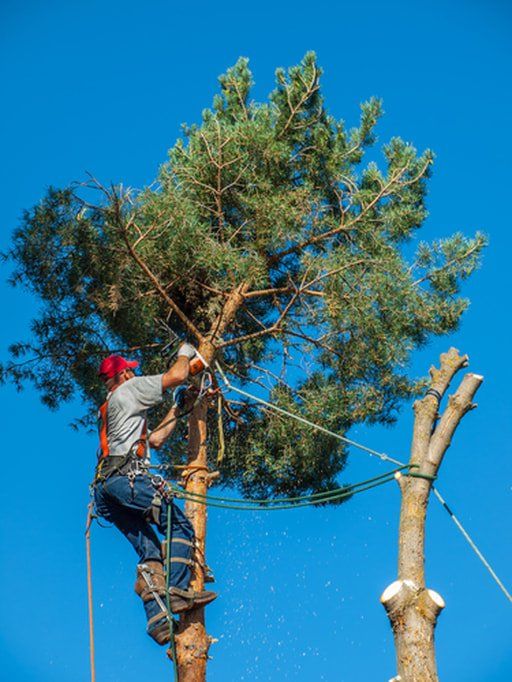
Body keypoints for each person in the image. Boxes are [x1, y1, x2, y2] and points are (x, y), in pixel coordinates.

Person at [93, 344, 216, 645]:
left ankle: (159, 621)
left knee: (150, 551)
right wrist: (185, 353)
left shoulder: (111, 406)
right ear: (123, 373)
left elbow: (157, 439)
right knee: (179, 524)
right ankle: (176, 591)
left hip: (106, 490)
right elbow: (176, 374)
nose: (135, 372)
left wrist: (177, 406)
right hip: (126, 480)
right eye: (131, 370)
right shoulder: (129, 389)